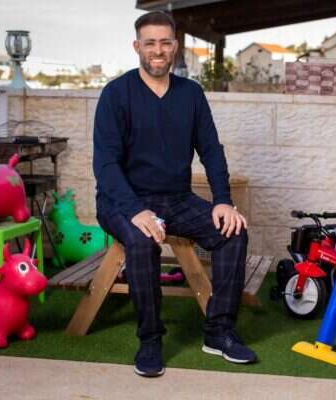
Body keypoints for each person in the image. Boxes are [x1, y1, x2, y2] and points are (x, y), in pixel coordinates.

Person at [93, 11, 256, 378]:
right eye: (150, 43)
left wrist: (223, 201)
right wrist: (136, 211)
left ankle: (219, 332)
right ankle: (150, 339)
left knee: (234, 232)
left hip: (176, 198)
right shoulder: (116, 94)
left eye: (165, 42)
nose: (158, 50)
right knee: (142, 240)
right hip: (122, 201)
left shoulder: (191, 94)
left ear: (175, 46)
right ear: (137, 46)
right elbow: (105, 164)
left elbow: (211, 150)